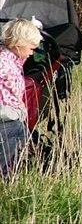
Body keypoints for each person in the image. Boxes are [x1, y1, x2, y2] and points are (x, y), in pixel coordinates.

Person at [0, 18, 41, 176]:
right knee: (19, 131)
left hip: (7, 115)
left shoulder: (14, 61)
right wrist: (17, 113)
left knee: (21, 131)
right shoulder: (4, 63)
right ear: (18, 44)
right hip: (5, 116)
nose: (32, 53)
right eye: (31, 48)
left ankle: (8, 171)